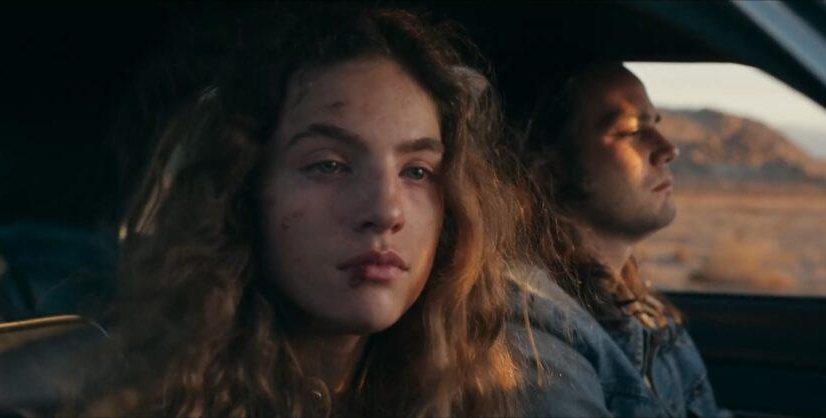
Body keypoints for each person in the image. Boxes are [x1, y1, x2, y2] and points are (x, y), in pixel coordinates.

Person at [78, 6, 531, 417]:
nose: (385, 210)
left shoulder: (475, 392)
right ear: (242, 190)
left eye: (416, 171)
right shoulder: (143, 400)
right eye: (329, 165)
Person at [513, 61, 729, 417]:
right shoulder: (534, 334)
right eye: (630, 131)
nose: (668, 149)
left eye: (654, 124)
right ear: (549, 173)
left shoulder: (644, 308)